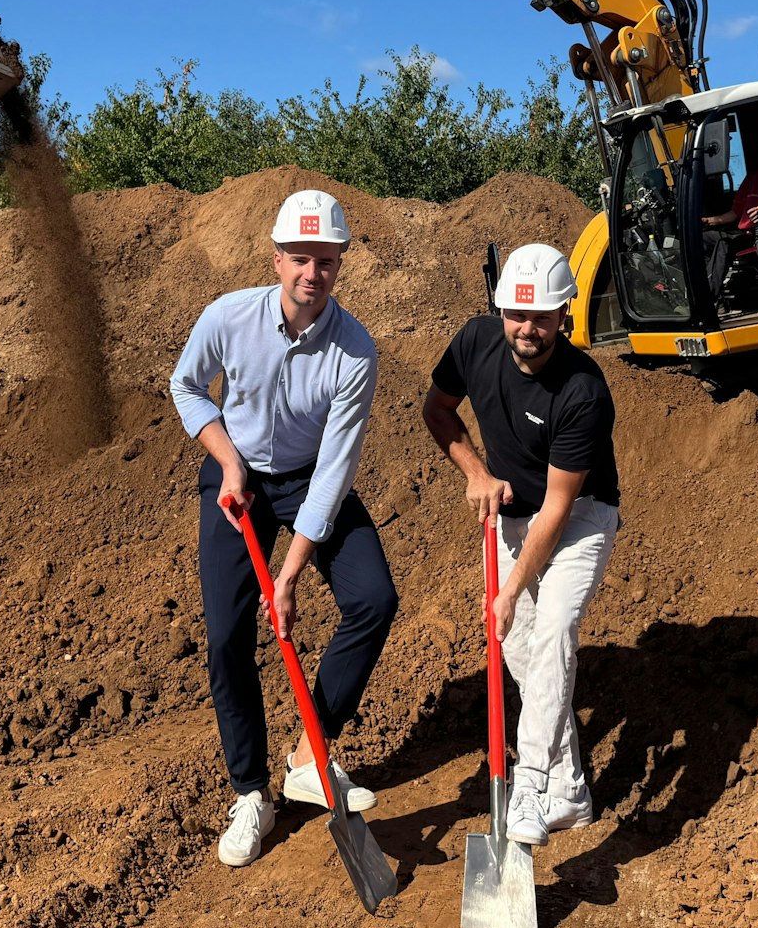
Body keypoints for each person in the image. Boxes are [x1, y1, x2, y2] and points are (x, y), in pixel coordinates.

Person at [169, 188, 400, 868]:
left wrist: (292, 570)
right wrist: (226, 459)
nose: (312, 273)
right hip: (235, 474)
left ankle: (310, 751)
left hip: (307, 479)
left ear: (340, 264)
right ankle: (251, 793)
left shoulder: (355, 352)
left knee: (373, 597)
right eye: (300, 258)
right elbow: (187, 386)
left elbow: (336, 467)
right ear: (276, 259)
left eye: (325, 261)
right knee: (226, 637)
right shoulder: (228, 317)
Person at [421, 243, 622, 846]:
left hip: (581, 518)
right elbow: (437, 410)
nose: (526, 328)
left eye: (541, 316)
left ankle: (530, 786)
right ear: (499, 306)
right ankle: (572, 793)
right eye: (516, 313)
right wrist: (475, 472)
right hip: (513, 517)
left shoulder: (583, 389)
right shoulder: (475, 343)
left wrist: (509, 589)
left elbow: (558, 510)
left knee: (555, 628)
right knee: (526, 657)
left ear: (565, 314)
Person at [702, 122, 758, 235]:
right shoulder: (752, 177)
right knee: (704, 239)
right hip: (745, 233)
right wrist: (709, 221)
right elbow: (736, 212)